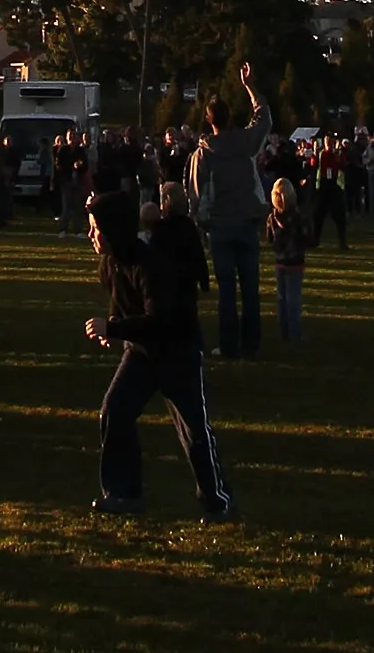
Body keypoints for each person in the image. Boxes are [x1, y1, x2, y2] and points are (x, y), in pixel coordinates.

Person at [85, 185, 232, 520]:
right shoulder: (110, 265)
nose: (91, 235)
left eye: (96, 229)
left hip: (177, 350)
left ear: (113, 230)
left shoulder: (151, 265)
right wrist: (114, 326)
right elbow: (122, 306)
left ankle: (216, 499)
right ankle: (123, 494)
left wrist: (116, 329)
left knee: (193, 430)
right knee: (115, 412)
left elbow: (160, 319)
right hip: (142, 352)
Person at [186, 62, 269, 359]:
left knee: (226, 293)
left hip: (221, 224)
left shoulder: (204, 152)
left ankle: (229, 344)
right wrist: (249, 87)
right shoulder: (245, 143)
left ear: (209, 122)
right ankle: (252, 343)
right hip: (247, 221)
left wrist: (201, 220)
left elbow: (196, 192)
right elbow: (264, 119)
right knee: (250, 289)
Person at [266, 175, 306, 343]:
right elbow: (306, 237)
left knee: (281, 297)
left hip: (280, 260)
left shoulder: (272, 218)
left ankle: (284, 330)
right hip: (295, 260)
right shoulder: (297, 217)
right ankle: (294, 332)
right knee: (293, 298)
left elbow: (269, 239)